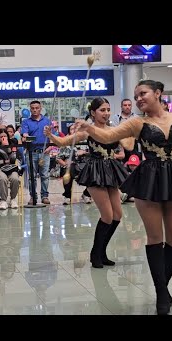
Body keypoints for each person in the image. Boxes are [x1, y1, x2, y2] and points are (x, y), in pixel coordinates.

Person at [72, 80, 172, 315]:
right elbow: (108, 136)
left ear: (158, 93)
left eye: (143, 93)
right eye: (136, 95)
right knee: (154, 237)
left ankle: (163, 287)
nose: (138, 98)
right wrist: (88, 129)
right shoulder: (137, 122)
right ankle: (162, 293)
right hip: (149, 178)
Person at [46, 97, 132, 270]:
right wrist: (50, 135)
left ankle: (102, 251)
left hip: (111, 169)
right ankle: (95, 253)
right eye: (102, 110)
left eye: (108, 109)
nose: (106, 113)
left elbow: (129, 146)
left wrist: (129, 130)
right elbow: (64, 142)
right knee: (107, 215)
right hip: (95, 170)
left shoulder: (113, 129)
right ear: (93, 113)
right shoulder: (88, 130)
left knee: (118, 215)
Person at [21, 100, 52, 205]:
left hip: (45, 152)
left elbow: (51, 136)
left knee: (45, 176)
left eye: (37, 108)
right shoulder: (26, 122)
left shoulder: (47, 121)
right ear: (30, 109)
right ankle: (33, 197)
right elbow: (24, 134)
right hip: (31, 152)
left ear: (40, 108)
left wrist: (50, 147)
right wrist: (25, 137)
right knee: (32, 177)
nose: (35, 110)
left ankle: (45, 196)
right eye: (32, 108)